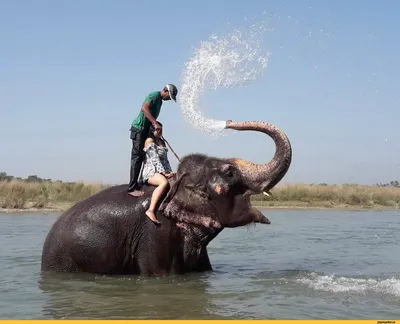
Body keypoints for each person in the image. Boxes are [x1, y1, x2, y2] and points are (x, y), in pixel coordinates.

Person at [127, 84, 178, 197]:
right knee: (137, 157)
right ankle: (132, 187)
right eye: (169, 96)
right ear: (165, 90)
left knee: (145, 155)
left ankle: (140, 181)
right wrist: (155, 123)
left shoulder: (160, 101)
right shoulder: (154, 95)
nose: (169, 99)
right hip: (139, 128)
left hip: (145, 130)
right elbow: (144, 109)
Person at [139, 122, 175, 225]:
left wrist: (169, 172)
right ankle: (150, 210)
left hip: (161, 171)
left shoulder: (162, 142)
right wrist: (163, 173)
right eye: (158, 130)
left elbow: (165, 160)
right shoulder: (149, 141)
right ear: (152, 130)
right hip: (151, 171)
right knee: (163, 183)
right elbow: (155, 159)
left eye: (161, 130)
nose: (160, 131)